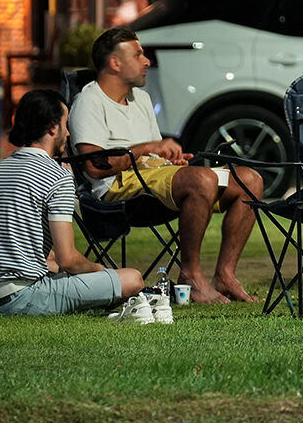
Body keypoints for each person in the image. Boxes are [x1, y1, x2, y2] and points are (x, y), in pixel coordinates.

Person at [69, 27, 265, 305]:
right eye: (138, 55)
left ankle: (225, 275)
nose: (147, 61)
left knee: (249, 179)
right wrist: (151, 149)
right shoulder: (89, 101)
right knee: (200, 181)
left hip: (154, 179)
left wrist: (172, 160)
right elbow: (95, 166)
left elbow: (155, 161)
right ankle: (191, 277)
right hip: (119, 189)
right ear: (114, 63)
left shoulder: (142, 100)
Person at [0, 89, 145, 316]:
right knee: (132, 278)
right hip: (21, 298)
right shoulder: (56, 175)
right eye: (65, 124)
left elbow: (47, 257)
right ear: (52, 127)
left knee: (54, 265)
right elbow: (68, 259)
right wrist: (99, 270)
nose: (69, 133)